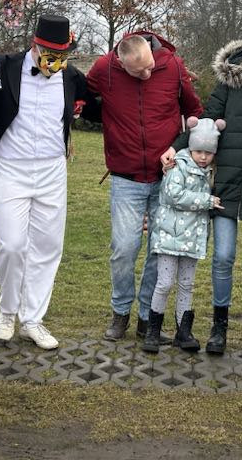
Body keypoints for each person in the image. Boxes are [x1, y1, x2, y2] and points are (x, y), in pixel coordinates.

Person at [161, 19, 242, 356]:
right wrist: (177, 146)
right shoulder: (231, 83)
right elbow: (204, 122)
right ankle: (219, 327)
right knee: (222, 257)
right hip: (227, 183)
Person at [0, 14, 92, 350]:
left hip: (52, 171)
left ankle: (32, 318)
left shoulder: (71, 77)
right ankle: (8, 310)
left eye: (62, 54)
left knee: (47, 247)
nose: (55, 60)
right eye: (49, 52)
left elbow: (96, 100)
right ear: (34, 44)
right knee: (11, 245)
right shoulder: (4, 67)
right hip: (10, 167)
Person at [87, 31, 202, 342]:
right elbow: (81, 97)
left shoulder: (173, 66)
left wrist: (177, 147)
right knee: (124, 250)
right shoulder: (103, 70)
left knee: (158, 251)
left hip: (166, 178)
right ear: (121, 64)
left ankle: (147, 318)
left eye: (151, 67)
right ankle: (120, 312)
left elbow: (195, 112)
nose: (148, 74)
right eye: (139, 72)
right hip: (125, 179)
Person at [142, 116, 225, 353]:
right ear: (191, 146)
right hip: (170, 236)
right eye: (198, 151)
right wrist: (206, 201)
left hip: (192, 238)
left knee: (187, 284)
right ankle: (153, 330)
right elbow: (172, 196)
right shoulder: (178, 166)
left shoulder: (210, 172)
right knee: (165, 283)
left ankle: (183, 330)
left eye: (208, 153)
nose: (202, 157)